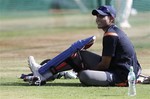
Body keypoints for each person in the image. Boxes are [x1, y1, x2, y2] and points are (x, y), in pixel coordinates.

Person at [23, 5, 141, 86]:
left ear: (111, 18)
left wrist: (83, 69)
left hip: (121, 77)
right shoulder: (114, 31)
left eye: (102, 16)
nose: (98, 19)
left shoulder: (110, 35)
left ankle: (49, 73)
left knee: (84, 75)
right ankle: (44, 74)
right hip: (119, 70)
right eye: (97, 16)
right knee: (78, 55)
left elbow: (104, 65)